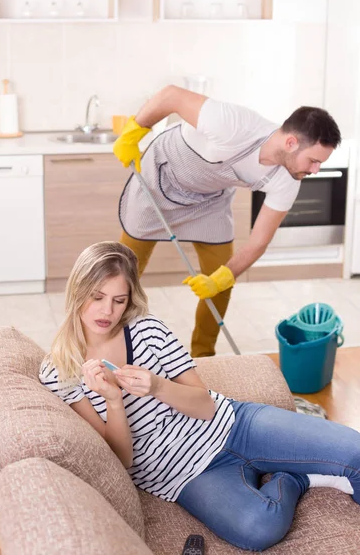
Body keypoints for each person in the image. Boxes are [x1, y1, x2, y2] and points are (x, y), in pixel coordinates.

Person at [39, 241, 359, 553]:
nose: (107, 311)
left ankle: (277, 463)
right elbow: (122, 459)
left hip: (235, 425)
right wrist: (113, 399)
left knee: (355, 450)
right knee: (259, 528)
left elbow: (205, 406)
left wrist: (157, 387)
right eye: (97, 297)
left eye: (119, 300)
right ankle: (293, 478)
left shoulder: (147, 330)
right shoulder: (61, 370)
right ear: (77, 291)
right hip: (185, 474)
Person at [112, 86, 342, 358]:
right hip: (160, 179)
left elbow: (258, 242)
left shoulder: (288, 180)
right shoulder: (233, 125)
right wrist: (134, 131)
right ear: (291, 143)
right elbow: (170, 96)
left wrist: (223, 278)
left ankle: (203, 356)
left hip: (209, 200)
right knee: (122, 272)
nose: (315, 170)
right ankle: (107, 343)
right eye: (314, 160)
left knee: (221, 279)